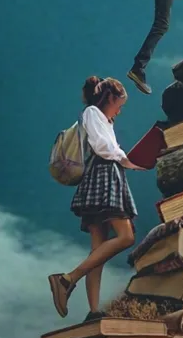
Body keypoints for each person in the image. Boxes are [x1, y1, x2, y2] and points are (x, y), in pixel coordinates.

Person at [48, 77, 144, 320]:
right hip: (103, 177)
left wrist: (129, 161)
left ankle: (92, 311)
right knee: (126, 237)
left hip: (107, 176)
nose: (119, 111)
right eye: (119, 105)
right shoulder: (92, 113)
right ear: (109, 98)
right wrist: (125, 159)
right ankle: (67, 279)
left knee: (98, 250)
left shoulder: (104, 120)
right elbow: (103, 147)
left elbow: (110, 148)